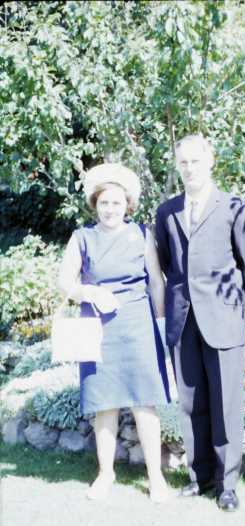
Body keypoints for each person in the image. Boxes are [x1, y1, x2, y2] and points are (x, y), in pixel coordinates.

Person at [155, 134, 245, 511]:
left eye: (196, 161)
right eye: (183, 162)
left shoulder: (234, 206)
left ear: (210, 161)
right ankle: (199, 478)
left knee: (226, 404)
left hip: (223, 319)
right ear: (177, 166)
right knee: (191, 404)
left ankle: (227, 484)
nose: (189, 169)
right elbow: (167, 263)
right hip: (183, 320)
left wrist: (233, 304)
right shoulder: (167, 211)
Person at [58, 163, 170, 502]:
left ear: (127, 205)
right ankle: (105, 474)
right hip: (97, 327)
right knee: (103, 404)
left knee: (144, 403)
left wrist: (161, 324)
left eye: (117, 203)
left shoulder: (142, 235)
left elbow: (156, 281)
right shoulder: (82, 238)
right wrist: (88, 292)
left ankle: (156, 478)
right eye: (104, 203)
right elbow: (65, 282)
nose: (110, 209)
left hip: (138, 326)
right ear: (96, 204)